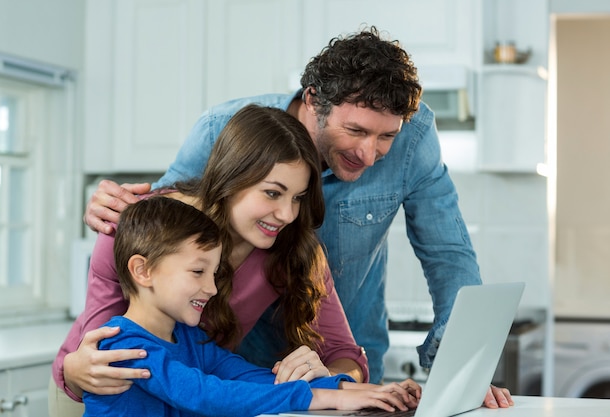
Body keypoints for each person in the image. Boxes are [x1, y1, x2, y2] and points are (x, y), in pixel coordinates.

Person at [81, 26, 513, 407]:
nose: (369, 154)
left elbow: (448, 252)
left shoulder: (410, 141)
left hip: (341, 360)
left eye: (386, 137)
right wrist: (114, 209)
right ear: (313, 101)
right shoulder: (223, 132)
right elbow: (158, 234)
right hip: (233, 360)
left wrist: (461, 369)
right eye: (356, 131)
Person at [50, 105, 371, 417]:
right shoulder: (137, 224)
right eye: (272, 193)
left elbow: (344, 355)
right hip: (96, 389)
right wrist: (73, 370)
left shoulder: (292, 249)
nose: (287, 214)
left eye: (298, 198)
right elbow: (100, 350)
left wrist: (335, 381)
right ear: (232, 178)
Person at [82, 195, 421, 416]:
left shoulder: (189, 339)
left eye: (214, 273)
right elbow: (206, 395)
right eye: (198, 271)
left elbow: (255, 378)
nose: (212, 288)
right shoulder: (121, 346)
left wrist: (366, 391)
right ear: (143, 271)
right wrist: (325, 399)